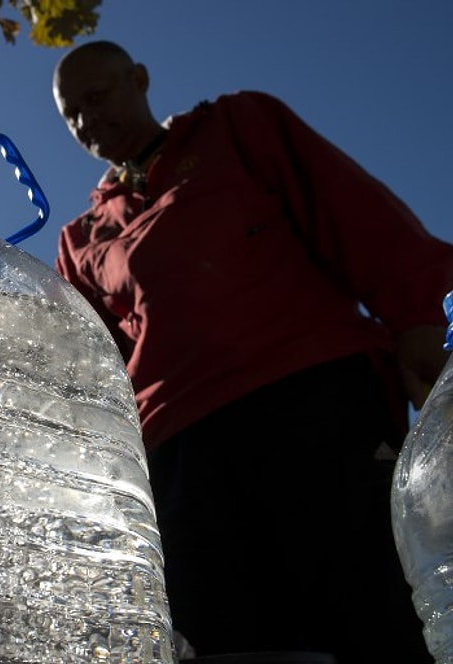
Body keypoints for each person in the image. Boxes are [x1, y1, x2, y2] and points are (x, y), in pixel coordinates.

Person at [52, 40, 453, 663]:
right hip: (180, 455)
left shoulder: (237, 127)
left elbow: (355, 213)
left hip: (312, 402)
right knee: (224, 640)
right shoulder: (80, 241)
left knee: (376, 610)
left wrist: (424, 314)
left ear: (139, 78)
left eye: (96, 97)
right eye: (71, 113)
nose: (86, 119)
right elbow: (90, 370)